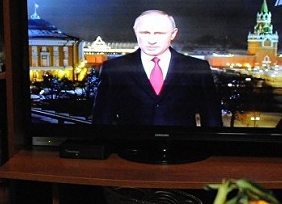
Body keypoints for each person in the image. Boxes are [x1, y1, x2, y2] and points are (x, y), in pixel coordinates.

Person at [91, 10, 223, 127]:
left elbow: (212, 119)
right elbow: (101, 121)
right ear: (135, 32)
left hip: (182, 146)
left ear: (173, 34)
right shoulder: (113, 69)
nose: (152, 40)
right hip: (131, 145)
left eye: (159, 33)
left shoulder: (197, 68)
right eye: (145, 33)